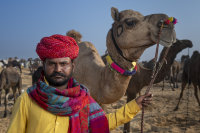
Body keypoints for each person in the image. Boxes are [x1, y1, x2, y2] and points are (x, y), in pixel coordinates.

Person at [7, 34, 152, 133]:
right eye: (52, 64)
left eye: (64, 64)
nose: (58, 69)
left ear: (72, 67)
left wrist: (135, 106)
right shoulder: (26, 100)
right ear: (43, 65)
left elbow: (101, 123)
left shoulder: (82, 99)